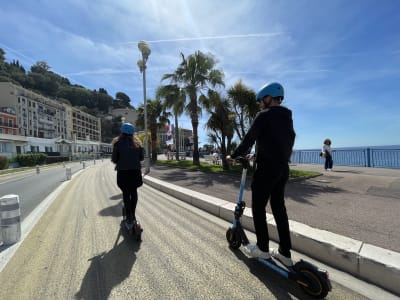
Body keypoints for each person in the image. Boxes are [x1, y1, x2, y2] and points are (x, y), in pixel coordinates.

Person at [227, 82, 296, 266]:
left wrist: (234, 155)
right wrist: (256, 154)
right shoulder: (287, 117)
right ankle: (285, 253)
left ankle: (263, 249)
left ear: (268, 98)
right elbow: (279, 143)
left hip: (266, 170)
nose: (259, 104)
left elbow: (249, 138)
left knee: (258, 208)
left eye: (260, 101)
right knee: (279, 209)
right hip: (282, 169)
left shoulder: (264, 116)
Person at [112, 123, 144, 229]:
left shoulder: (117, 143)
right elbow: (141, 158)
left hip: (123, 173)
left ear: (122, 132)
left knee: (126, 193)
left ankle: (129, 216)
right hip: (135, 172)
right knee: (133, 191)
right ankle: (133, 215)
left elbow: (114, 159)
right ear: (132, 133)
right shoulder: (138, 144)